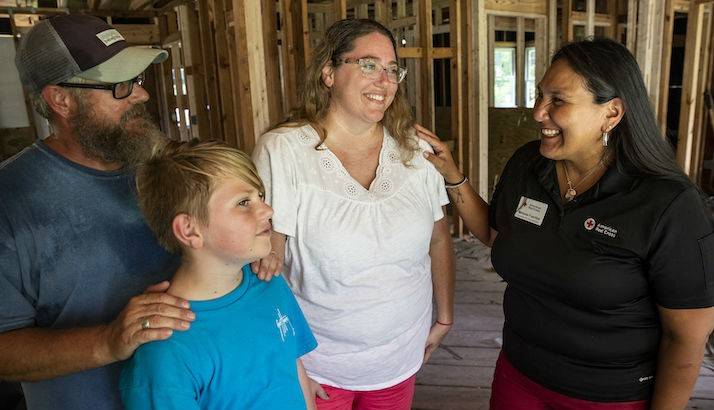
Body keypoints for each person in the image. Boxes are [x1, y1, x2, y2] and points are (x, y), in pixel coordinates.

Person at [418, 37, 714, 409]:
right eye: (540, 95)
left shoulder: (667, 203)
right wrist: (452, 174)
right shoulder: (529, 165)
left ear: (612, 113)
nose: (538, 112)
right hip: (519, 377)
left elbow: (686, 338)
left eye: (557, 100)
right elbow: (496, 235)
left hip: (610, 396)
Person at [252, 18, 455, 410]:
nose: (384, 80)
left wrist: (445, 316)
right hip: (318, 366)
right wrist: (289, 362)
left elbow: (438, 237)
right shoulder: (285, 151)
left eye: (393, 69)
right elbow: (265, 268)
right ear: (328, 73)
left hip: (399, 359)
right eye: (368, 65)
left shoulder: (414, 148)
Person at [0, 14, 194, 410]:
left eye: (138, 80)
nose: (141, 96)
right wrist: (108, 341)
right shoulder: (11, 201)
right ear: (62, 100)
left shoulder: (162, 168)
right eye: (120, 86)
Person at [119, 140, 318, 409]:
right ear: (190, 230)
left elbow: (293, 369)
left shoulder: (269, 284)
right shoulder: (165, 349)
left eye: (260, 196)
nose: (268, 210)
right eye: (244, 202)